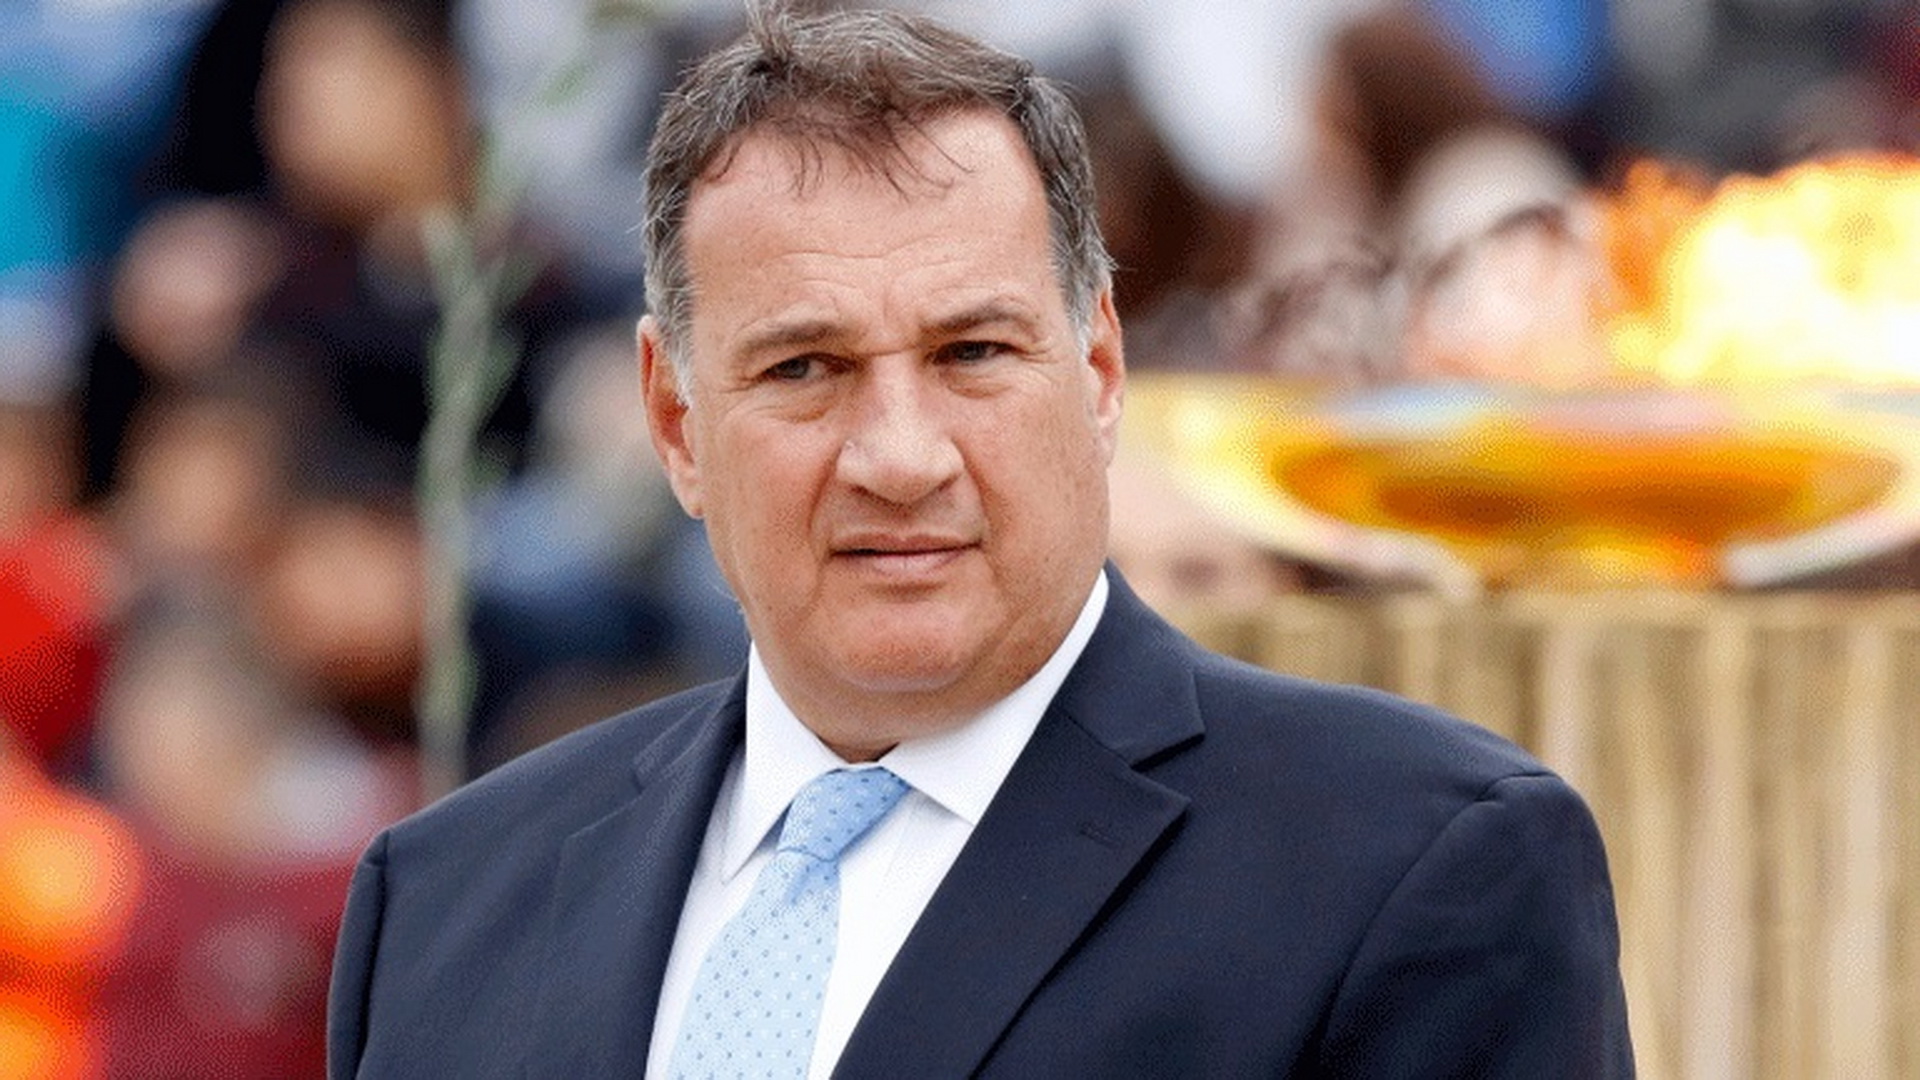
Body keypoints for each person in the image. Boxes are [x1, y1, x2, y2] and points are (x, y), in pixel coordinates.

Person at [327, 6, 1634, 1077]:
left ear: (1101, 370)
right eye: (804, 368)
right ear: (675, 419)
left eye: (972, 353)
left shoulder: (1409, 866)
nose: (902, 456)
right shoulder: (443, 901)